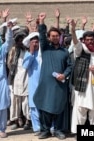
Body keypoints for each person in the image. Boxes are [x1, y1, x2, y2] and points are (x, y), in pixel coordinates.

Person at [33, 12, 72, 140]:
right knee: (45, 106)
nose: (55, 38)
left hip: (59, 85)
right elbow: (42, 37)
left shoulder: (65, 52)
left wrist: (64, 75)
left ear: (60, 37)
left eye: (57, 36)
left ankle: (59, 130)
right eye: (52, 36)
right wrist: (42, 21)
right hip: (46, 84)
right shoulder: (45, 48)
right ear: (49, 37)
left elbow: (70, 66)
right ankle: (45, 130)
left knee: (59, 106)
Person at [70, 19, 94, 134]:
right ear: (84, 41)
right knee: (79, 110)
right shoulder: (81, 50)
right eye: (87, 40)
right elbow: (76, 43)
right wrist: (72, 30)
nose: (90, 42)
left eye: (92, 39)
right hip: (82, 86)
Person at [6, 27, 30, 130]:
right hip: (14, 78)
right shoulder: (13, 50)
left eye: (22, 39)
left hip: (27, 79)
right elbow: (9, 64)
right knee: (15, 101)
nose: (21, 41)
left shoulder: (29, 51)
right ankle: (16, 120)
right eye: (19, 39)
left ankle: (28, 121)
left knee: (26, 102)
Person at [22, 32, 41, 135]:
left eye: (36, 42)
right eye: (33, 42)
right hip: (33, 84)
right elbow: (25, 66)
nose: (35, 44)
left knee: (45, 106)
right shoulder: (28, 54)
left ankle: (48, 127)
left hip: (44, 84)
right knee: (34, 107)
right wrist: (31, 52)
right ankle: (37, 128)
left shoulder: (43, 53)